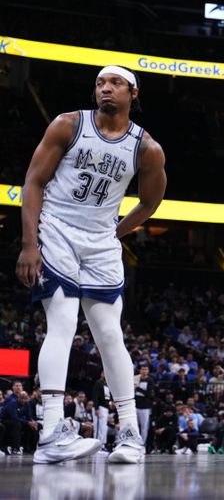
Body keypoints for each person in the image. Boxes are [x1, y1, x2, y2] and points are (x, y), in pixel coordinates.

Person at [16, 65, 166, 464]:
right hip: (58, 229)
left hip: (101, 240)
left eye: (115, 83)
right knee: (62, 323)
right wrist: (29, 245)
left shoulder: (146, 148)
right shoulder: (68, 125)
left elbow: (150, 203)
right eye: (100, 83)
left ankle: (131, 434)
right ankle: (50, 432)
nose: (105, 89)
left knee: (109, 334)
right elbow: (33, 182)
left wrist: (116, 232)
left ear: (134, 92)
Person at [134, 365, 155, 453]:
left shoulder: (150, 380)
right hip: (135, 405)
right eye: (142, 369)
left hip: (145, 406)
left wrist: (138, 388)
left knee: (144, 427)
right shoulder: (136, 378)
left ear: (148, 371)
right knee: (135, 425)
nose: (144, 371)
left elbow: (149, 394)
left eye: (146, 369)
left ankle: (142, 444)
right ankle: (134, 443)